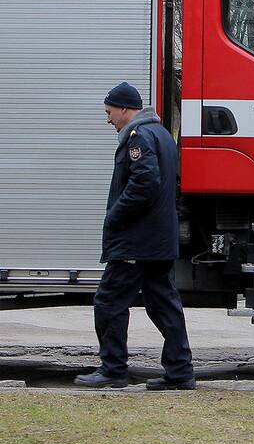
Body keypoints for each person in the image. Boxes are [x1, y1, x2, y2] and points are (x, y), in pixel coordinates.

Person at [75, 81, 195, 390]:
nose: (108, 119)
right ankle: (180, 372)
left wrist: (115, 216)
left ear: (125, 109)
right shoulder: (164, 136)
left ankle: (113, 369)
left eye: (110, 112)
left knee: (109, 302)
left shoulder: (138, 136)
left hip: (136, 242)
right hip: (158, 240)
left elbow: (145, 182)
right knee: (163, 305)